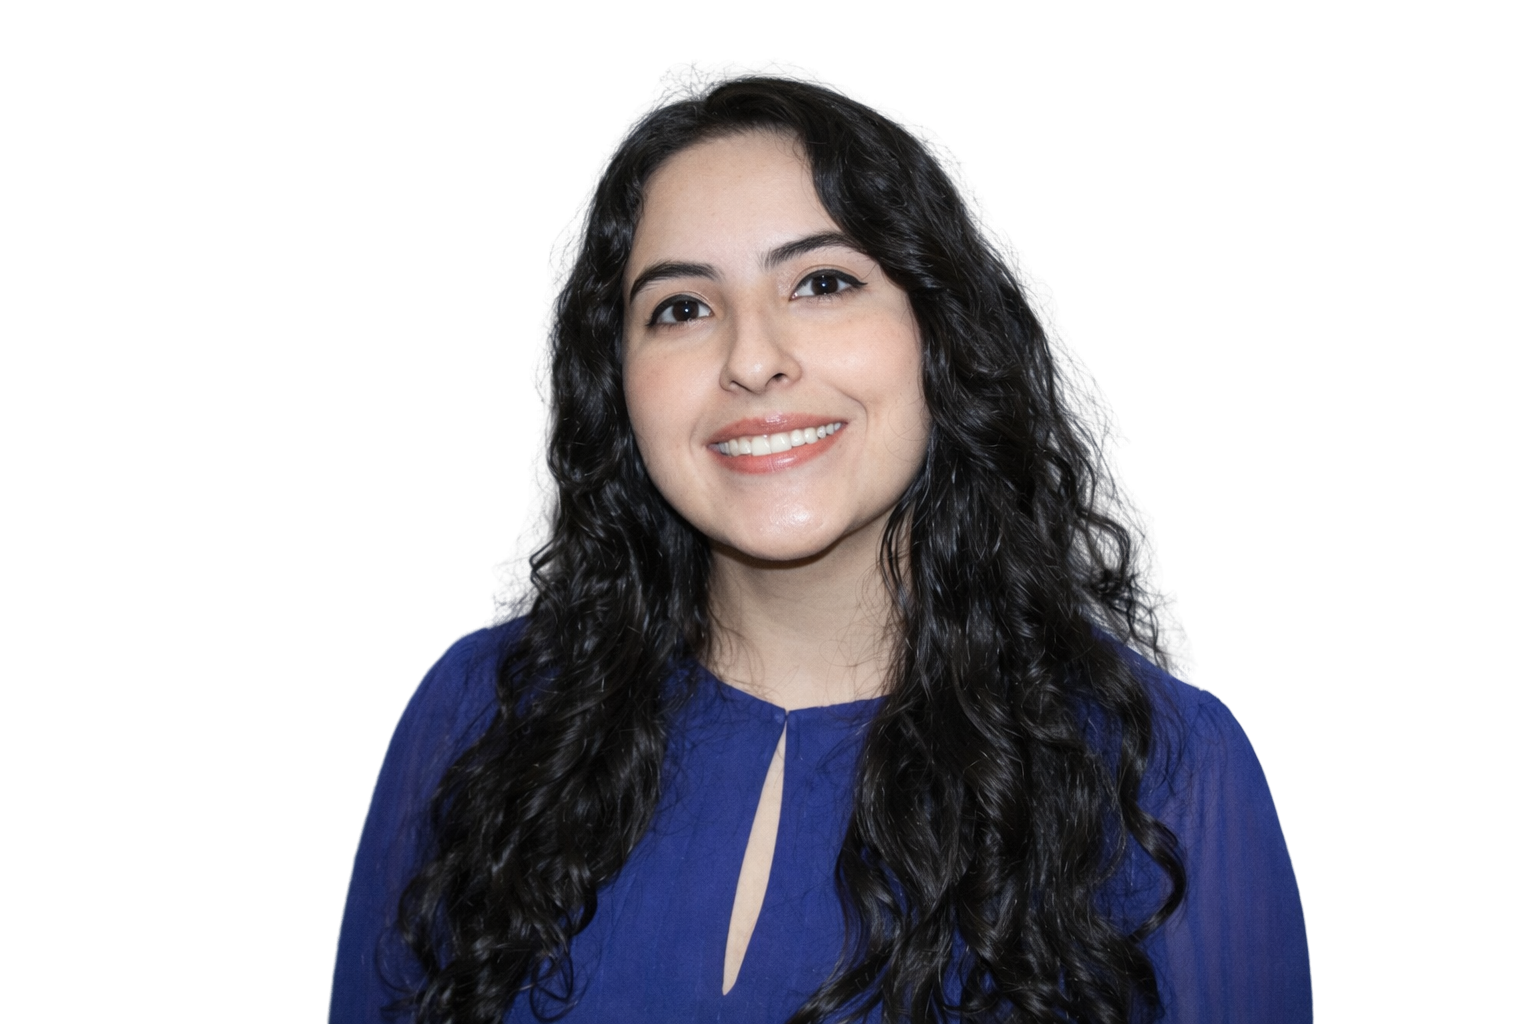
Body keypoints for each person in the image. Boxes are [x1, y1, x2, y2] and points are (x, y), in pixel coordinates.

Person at [329, 68, 1312, 1024]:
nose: (752, 358)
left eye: (824, 281)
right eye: (681, 307)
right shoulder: (475, 713)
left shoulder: (1172, 771)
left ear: (938, 333)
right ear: (618, 387)